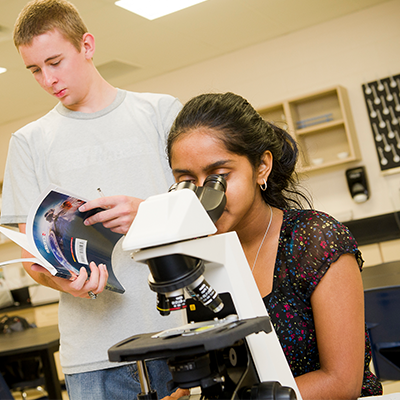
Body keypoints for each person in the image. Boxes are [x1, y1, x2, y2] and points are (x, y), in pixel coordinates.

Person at [0, 1, 184, 399]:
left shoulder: (160, 113)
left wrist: (146, 212)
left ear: (86, 45)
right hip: (94, 355)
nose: (48, 79)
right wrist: (67, 284)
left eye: (55, 62)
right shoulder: (29, 143)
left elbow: (211, 213)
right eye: (34, 69)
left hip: (179, 334)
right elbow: (32, 259)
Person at [165, 92, 383, 399]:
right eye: (187, 180)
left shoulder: (315, 241)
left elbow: (341, 381)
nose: (204, 197)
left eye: (219, 177)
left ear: (262, 167)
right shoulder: (201, 253)